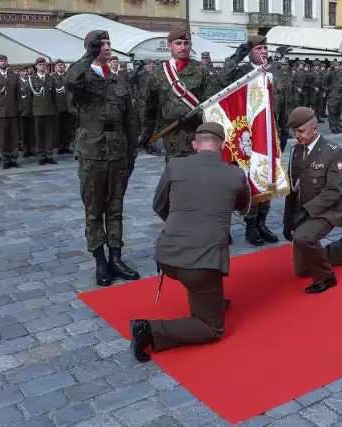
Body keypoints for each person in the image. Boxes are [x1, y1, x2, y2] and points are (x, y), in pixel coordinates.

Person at [130, 122, 251, 362]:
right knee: (213, 328)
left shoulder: (175, 165)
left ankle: (211, 300)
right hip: (201, 266)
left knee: (202, 285)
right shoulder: (235, 173)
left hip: (166, 256)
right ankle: (149, 331)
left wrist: (181, 224)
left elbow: (158, 205)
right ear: (223, 147)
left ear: (195, 145)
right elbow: (243, 208)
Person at [65, 30, 140, 287]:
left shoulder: (119, 80)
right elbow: (70, 80)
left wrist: (131, 155)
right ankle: (100, 261)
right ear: (90, 49)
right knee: (94, 209)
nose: (107, 47)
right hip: (92, 154)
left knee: (116, 208)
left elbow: (131, 121)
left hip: (118, 152)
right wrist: (90, 54)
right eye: (101, 44)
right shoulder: (82, 78)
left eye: (108, 43)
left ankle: (116, 257)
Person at [219, 35, 281, 246]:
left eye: (266, 47)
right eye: (259, 48)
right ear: (251, 51)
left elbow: (283, 101)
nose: (264, 51)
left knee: (268, 179)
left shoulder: (275, 70)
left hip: (272, 133)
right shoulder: (243, 72)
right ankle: (250, 225)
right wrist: (240, 52)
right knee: (252, 180)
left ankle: (263, 222)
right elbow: (224, 76)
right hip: (248, 136)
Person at [282, 107, 342, 294]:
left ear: (315, 129)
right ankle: (340, 249)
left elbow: (333, 191)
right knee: (301, 270)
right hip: (303, 210)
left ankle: (326, 277)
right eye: (294, 131)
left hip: (326, 210)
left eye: (301, 131)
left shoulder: (333, 153)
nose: (297, 136)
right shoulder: (296, 151)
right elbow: (293, 189)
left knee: (304, 237)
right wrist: (287, 220)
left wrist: (305, 211)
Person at [141, 26, 217, 161]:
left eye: (186, 43)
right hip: (172, 138)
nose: (183, 47)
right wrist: (146, 135)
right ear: (169, 46)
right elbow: (151, 108)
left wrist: (196, 116)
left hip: (198, 136)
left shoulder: (202, 70)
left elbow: (211, 102)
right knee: (176, 177)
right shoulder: (158, 73)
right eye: (178, 43)